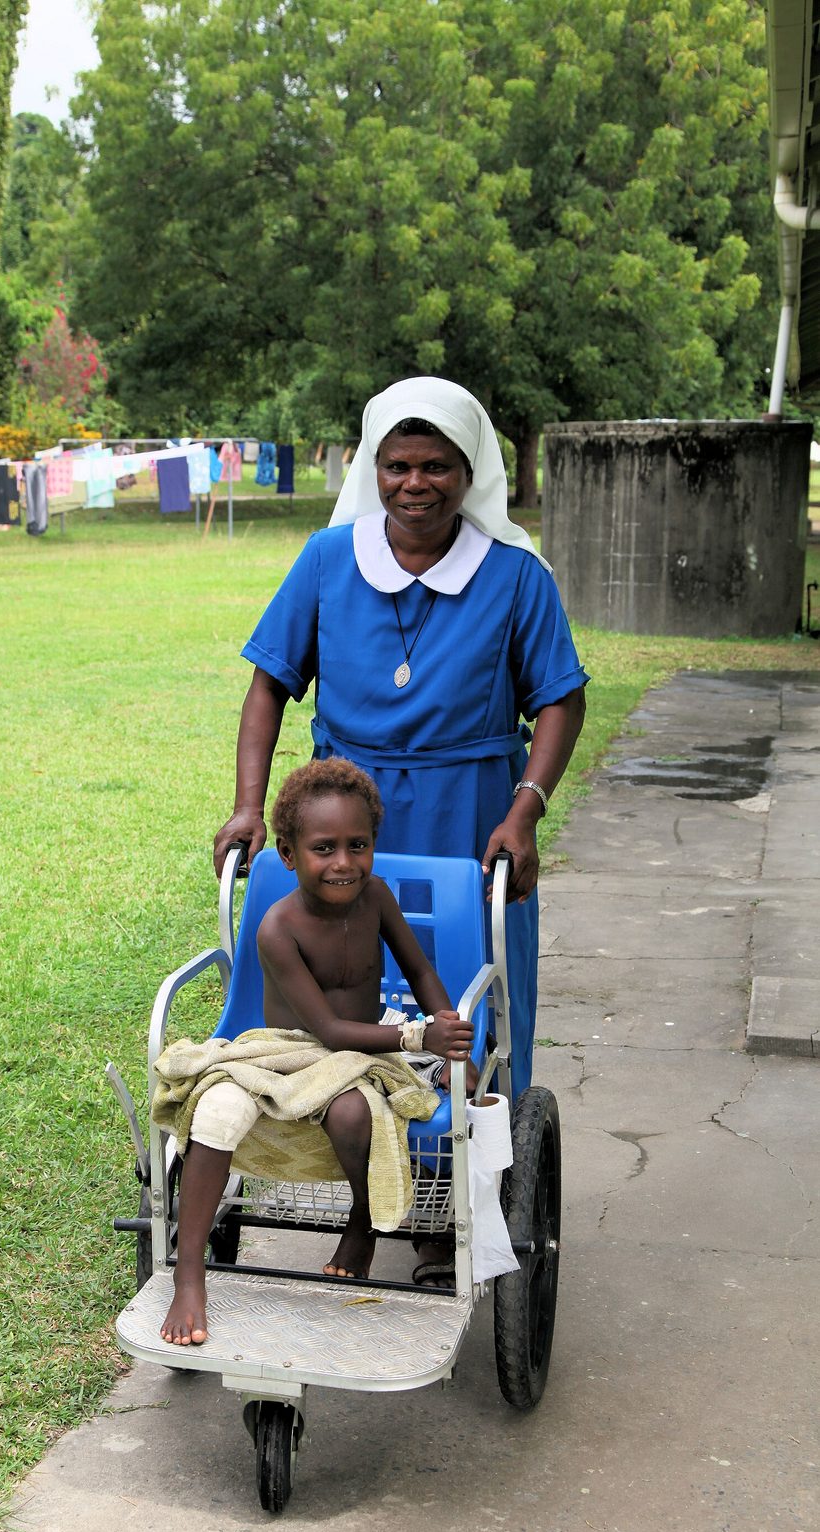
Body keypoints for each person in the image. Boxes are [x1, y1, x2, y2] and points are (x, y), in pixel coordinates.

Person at [212, 376, 588, 1278]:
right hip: (345, 820)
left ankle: (444, 1216)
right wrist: (247, 803)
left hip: (470, 819)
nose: (415, 484)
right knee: (341, 1003)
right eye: (397, 465)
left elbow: (562, 701)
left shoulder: (514, 576)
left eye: (436, 467)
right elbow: (269, 683)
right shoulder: (328, 561)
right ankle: (352, 1184)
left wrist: (526, 812)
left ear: (469, 472)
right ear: (370, 469)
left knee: (463, 1005)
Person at [159, 757, 474, 1346]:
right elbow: (326, 1029)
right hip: (288, 1048)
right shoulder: (278, 927)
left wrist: (447, 1032)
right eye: (324, 848)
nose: (344, 863)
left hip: (361, 1051)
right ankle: (190, 1274)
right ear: (287, 854)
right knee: (217, 1111)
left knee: (356, 1112)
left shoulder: (377, 897)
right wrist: (413, 1037)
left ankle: (363, 1219)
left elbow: (421, 972)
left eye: (358, 845)